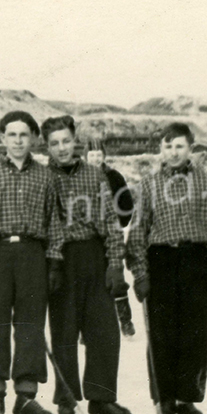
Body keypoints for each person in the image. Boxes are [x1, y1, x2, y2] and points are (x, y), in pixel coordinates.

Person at [126, 122, 207, 414]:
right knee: (162, 332)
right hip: (161, 262)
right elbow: (137, 233)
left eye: (179, 146)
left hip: (196, 262)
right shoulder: (149, 183)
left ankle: (187, 398)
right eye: (168, 146)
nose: (173, 152)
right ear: (160, 149)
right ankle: (166, 398)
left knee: (194, 333)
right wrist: (141, 273)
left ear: (191, 149)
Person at [42, 116, 133, 414]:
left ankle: (102, 398)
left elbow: (111, 222)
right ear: (47, 147)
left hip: (94, 256)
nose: (62, 148)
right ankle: (67, 397)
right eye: (54, 143)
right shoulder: (43, 178)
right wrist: (53, 262)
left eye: (66, 141)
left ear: (75, 142)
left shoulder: (95, 176)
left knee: (104, 330)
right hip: (61, 260)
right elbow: (48, 224)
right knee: (64, 332)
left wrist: (114, 265)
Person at [0, 110, 63, 414]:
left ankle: (26, 396)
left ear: (33, 139)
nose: (17, 140)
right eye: (11, 135)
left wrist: (54, 261)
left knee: (30, 325)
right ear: (2, 138)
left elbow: (54, 221)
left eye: (23, 135)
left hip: (32, 253)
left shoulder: (45, 176)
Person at [86, 140, 136, 337]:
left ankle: (125, 321)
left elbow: (127, 203)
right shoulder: (80, 176)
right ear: (86, 157)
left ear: (104, 156)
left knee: (116, 277)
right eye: (92, 155)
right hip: (89, 236)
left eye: (99, 154)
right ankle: (88, 327)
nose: (96, 158)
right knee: (90, 280)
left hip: (111, 235)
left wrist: (119, 222)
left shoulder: (114, 177)